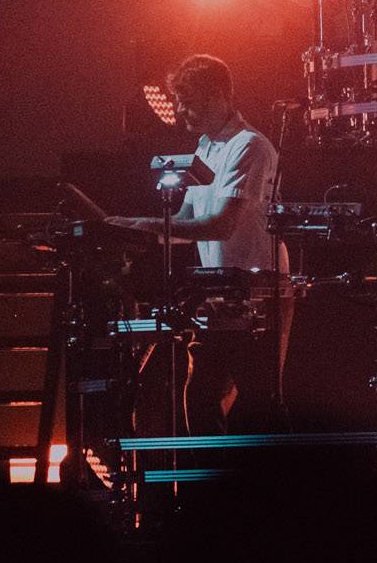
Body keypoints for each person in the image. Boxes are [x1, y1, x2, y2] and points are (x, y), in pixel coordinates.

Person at [104, 53, 289, 431]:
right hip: (221, 290)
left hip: (258, 288)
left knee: (257, 399)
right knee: (203, 397)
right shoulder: (205, 147)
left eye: (187, 101)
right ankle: (219, 468)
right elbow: (184, 220)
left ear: (218, 96)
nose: (178, 111)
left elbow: (221, 225)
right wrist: (128, 232)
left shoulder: (249, 146)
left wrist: (139, 225)